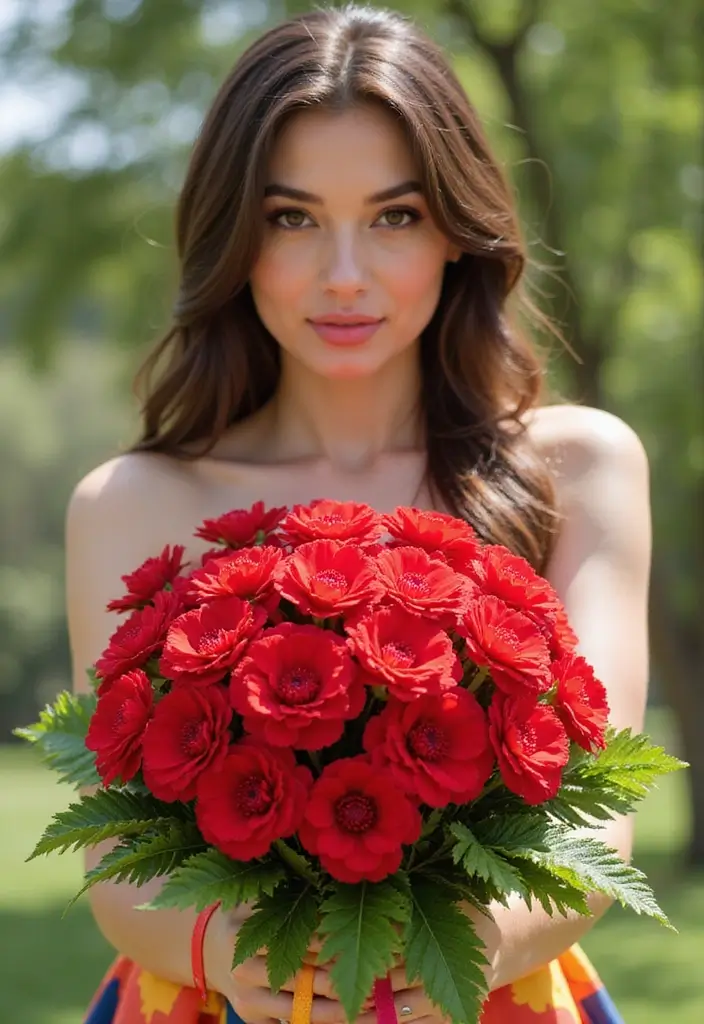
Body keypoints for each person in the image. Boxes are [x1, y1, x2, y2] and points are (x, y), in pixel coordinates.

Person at [67, 4, 650, 1023]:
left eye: (394, 216)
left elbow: (600, 824)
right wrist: (239, 958)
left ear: (458, 231)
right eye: (291, 217)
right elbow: (117, 860)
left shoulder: (579, 467)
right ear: (233, 236)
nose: (343, 275)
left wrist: (457, 953)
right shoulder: (130, 504)